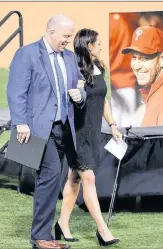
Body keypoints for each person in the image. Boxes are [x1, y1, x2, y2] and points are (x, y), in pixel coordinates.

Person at [7, 14, 85, 249]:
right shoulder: (27, 54)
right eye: (65, 36)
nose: (68, 41)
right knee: (50, 176)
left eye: (70, 37)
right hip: (39, 128)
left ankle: (43, 234)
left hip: (64, 127)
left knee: (49, 178)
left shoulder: (69, 58)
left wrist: (81, 96)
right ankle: (42, 237)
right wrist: (20, 122)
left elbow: (79, 85)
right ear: (51, 32)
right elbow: (16, 91)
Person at [55, 28, 121, 247]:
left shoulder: (99, 67)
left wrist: (112, 125)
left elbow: (103, 100)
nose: (101, 46)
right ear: (89, 46)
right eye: (98, 42)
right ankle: (102, 230)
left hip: (92, 132)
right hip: (76, 132)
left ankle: (62, 223)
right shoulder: (74, 70)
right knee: (88, 177)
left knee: (74, 177)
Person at [109, 13, 139, 127]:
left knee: (111, 132)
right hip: (127, 83)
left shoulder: (111, 22)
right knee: (128, 130)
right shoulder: (129, 21)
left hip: (112, 84)